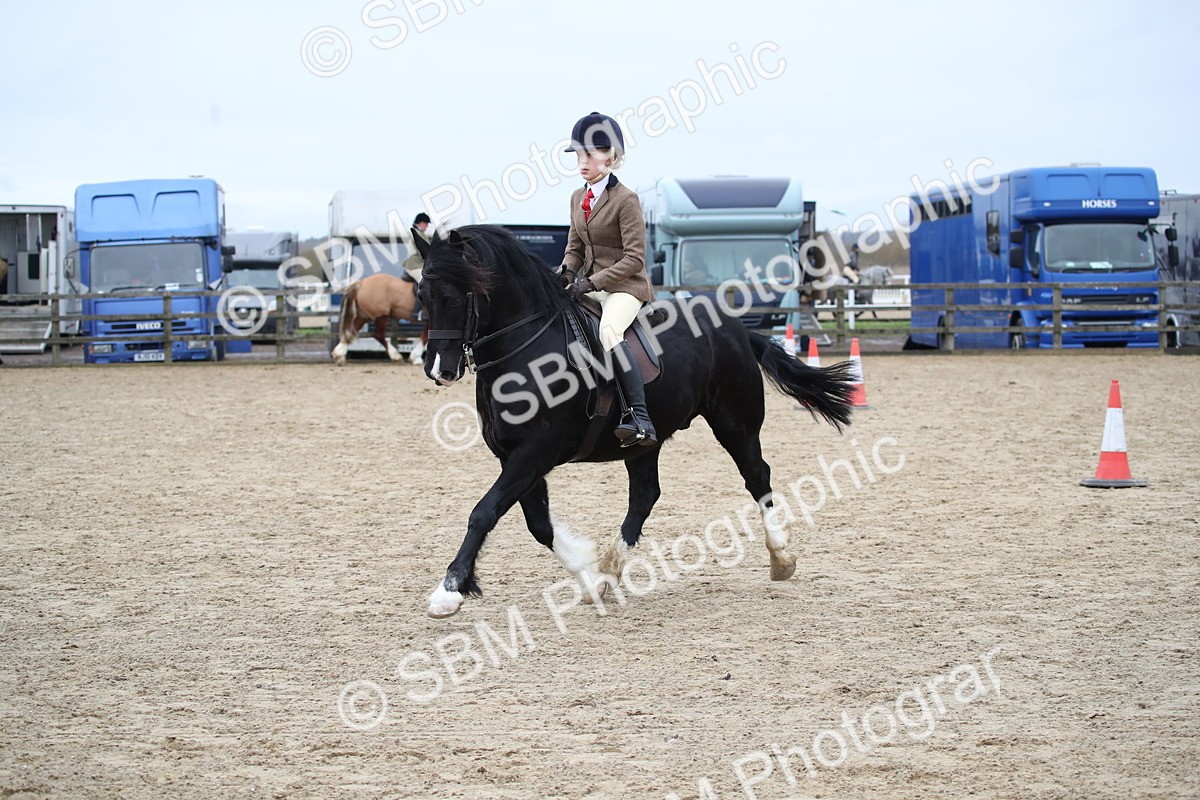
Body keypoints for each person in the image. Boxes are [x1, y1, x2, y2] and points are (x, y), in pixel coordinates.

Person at [557, 111, 657, 447]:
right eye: (579, 155)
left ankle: (639, 416)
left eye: (590, 154)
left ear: (610, 157)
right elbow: (575, 248)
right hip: (591, 284)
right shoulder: (577, 197)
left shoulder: (626, 200)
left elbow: (634, 259)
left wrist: (591, 282)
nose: (582, 162)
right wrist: (567, 272)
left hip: (625, 287)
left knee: (609, 330)